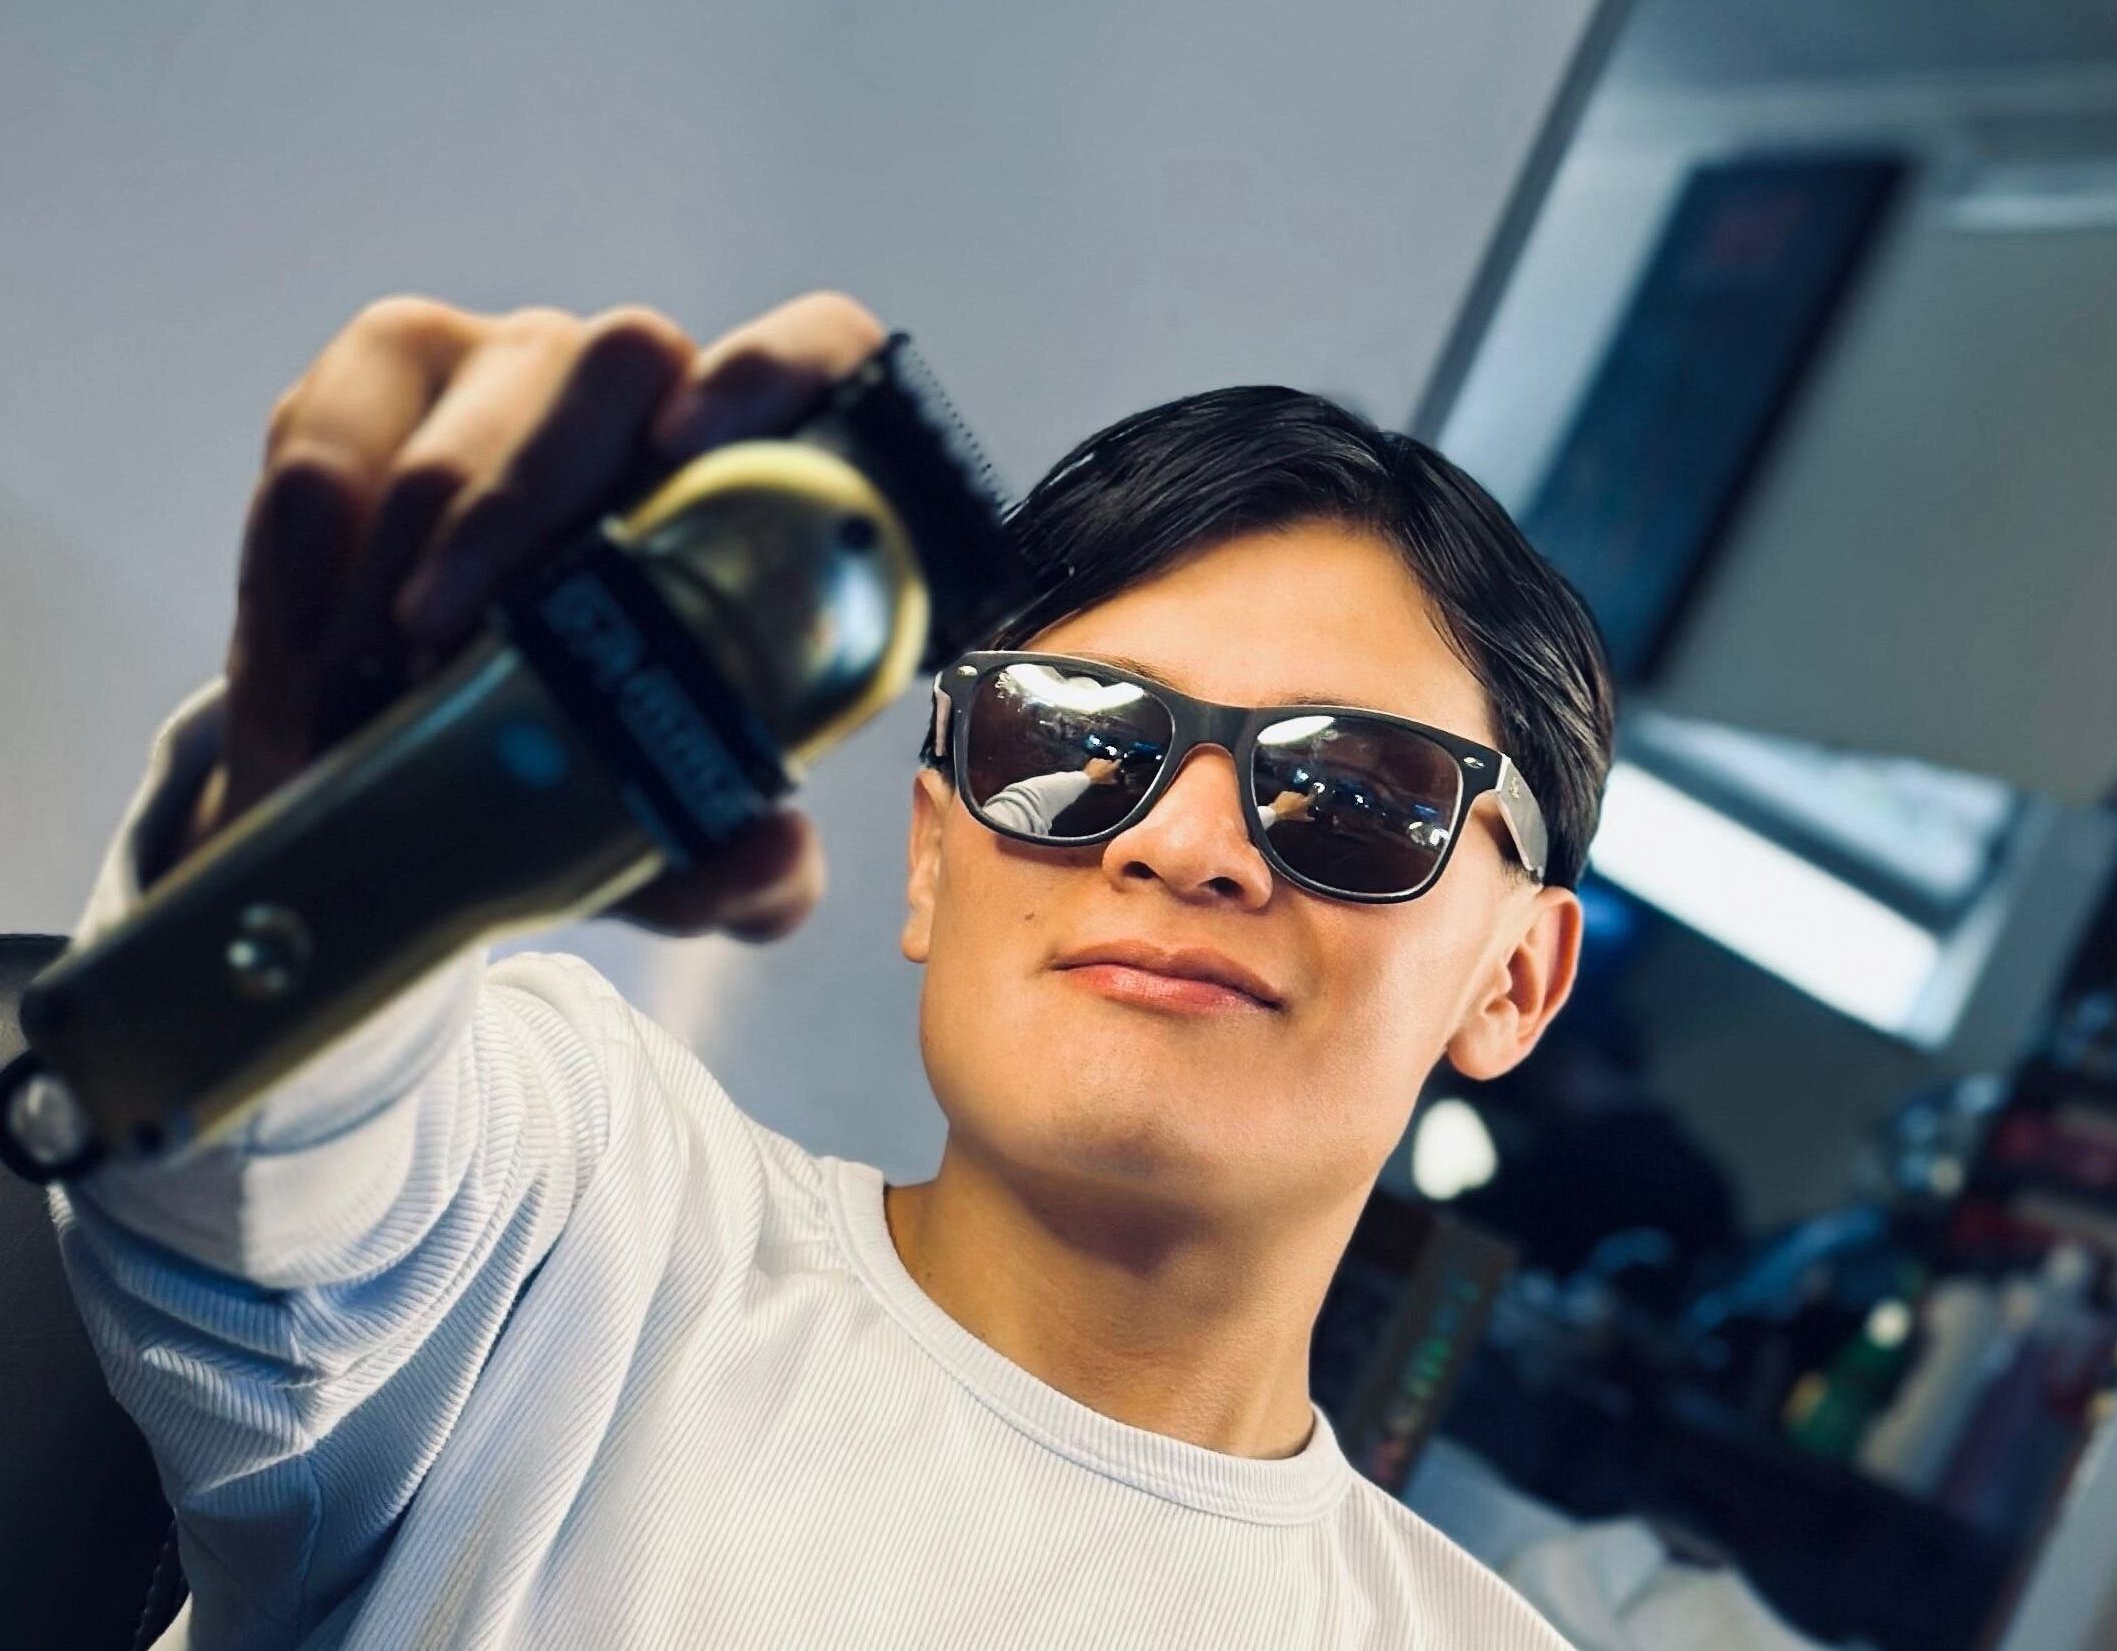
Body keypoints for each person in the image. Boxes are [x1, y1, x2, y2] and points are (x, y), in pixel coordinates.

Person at [46, 291, 1616, 1648]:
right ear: (931, 856)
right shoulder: (583, 1222)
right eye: (1068, 741)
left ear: (1516, 980)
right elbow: (264, 1168)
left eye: (1353, 795)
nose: (1186, 844)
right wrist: (325, 838)